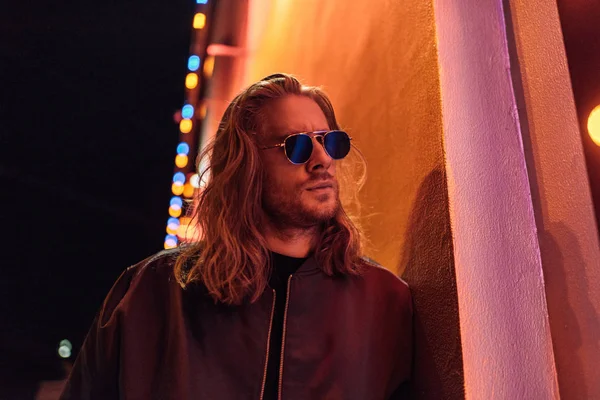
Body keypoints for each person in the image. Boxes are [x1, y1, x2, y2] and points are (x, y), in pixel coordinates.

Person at [60, 73, 413, 400]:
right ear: (245, 166)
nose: (322, 159)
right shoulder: (151, 292)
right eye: (297, 146)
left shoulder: (384, 302)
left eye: (329, 141)